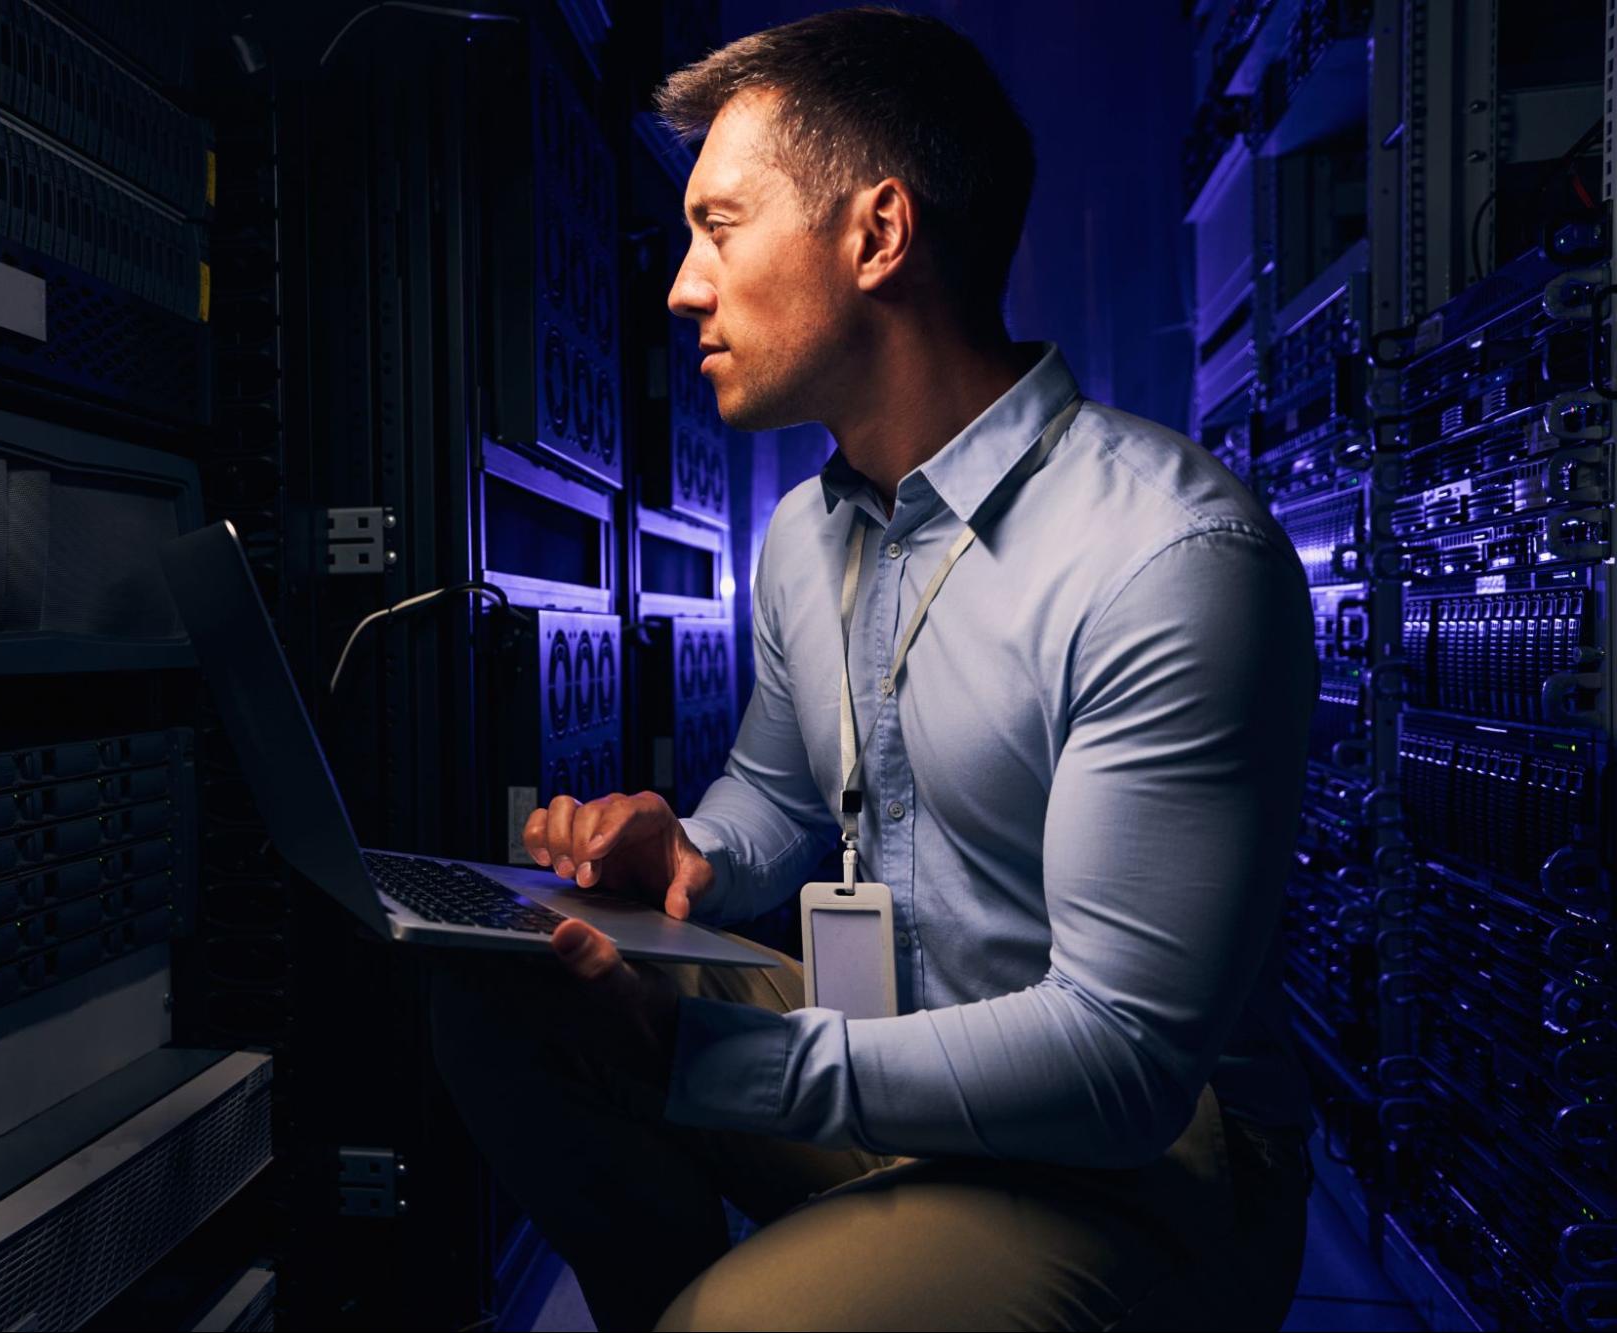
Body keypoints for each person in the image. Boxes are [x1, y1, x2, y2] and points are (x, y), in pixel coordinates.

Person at [432, 8, 1317, 1329]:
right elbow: (777, 796)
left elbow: (1121, 1061)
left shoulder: (1166, 556)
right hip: (904, 1047)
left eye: (719, 228)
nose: (682, 286)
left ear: (878, 235)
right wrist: (686, 851)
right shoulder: (807, 531)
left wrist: (704, 1057)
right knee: (503, 977)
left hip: (1146, 1162)